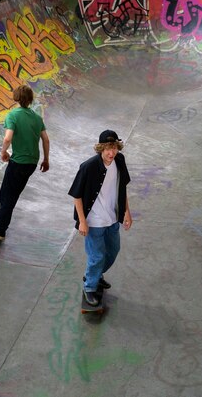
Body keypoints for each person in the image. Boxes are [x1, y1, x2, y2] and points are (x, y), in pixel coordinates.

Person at [68, 130, 132, 306]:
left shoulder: (119, 161)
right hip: (93, 221)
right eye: (107, 149)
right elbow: (76, 195)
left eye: (114, 148)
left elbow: (122, 188)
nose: (111, 153)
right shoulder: (88, 167)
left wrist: (127, 211)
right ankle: (89, 287)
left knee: (113, 251)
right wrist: (82, 221)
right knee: (96, 257)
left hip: (112, 218)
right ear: (100, 148)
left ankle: (94, 274)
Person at [0, 84, 50, 241]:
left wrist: (3, 151)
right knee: (6, 192)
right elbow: (46, 140)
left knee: (10, 196)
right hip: (32, 162)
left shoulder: (13, 115)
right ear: (30, 99)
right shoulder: (37, 118)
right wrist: (46, 160)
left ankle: (0, 230)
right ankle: (2, 212)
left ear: (16, 98)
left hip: (19, 162)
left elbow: (7, 138)